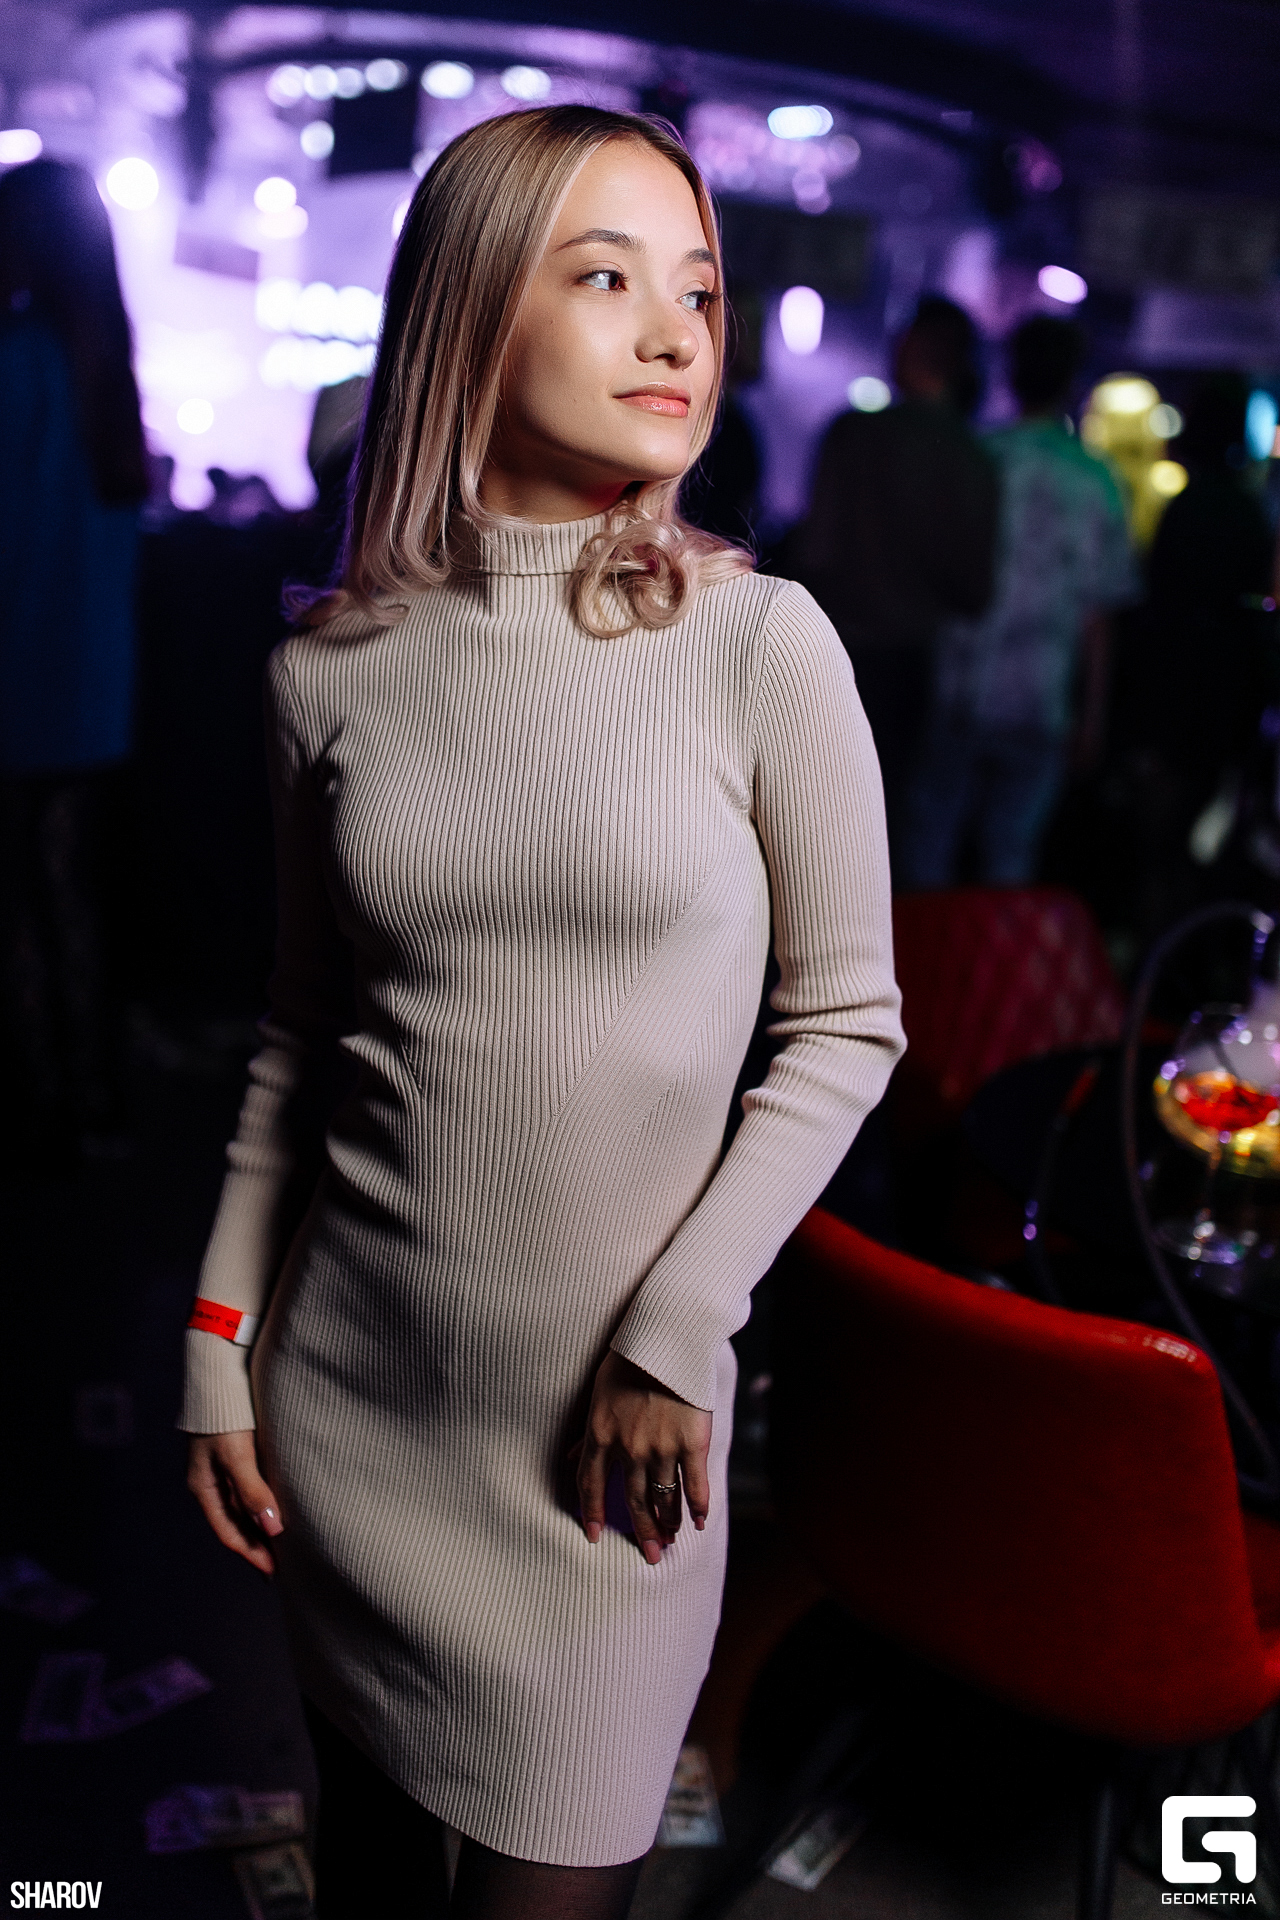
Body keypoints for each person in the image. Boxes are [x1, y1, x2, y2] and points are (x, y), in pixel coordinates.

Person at [180, 105, 904, 1918]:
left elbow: (848, 1027)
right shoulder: (330, 671)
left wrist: (677, 1328)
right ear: (471, 315)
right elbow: (300, 1043)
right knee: (365, 1880)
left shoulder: (761, 645)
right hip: (351, 1416)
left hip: (604, 1467)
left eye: (700, 292)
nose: (676, 335)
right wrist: (214, 1342)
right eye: (605, 279)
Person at [0, 158, 147, 1164]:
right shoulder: (110, 375)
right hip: (92, 688)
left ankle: (41, 1107)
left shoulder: (15, 361)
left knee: (17, 901)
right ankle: (91, 1102)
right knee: (71, 892)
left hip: (16, 673)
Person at [898, 315, 1137, 890]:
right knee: (1009, 860)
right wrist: (1092, 717)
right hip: (1041, 697)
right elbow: (1099, 615)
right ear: (1073, 382)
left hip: (962, 685)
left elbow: (933, 573)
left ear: (1010, 372)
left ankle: (924, 952)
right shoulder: (1097, 480)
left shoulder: (979, 456)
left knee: (929, 851)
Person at [794, 294, 999, 869]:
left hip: (829, 651)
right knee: (886, 830)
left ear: (912, 349)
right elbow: (976, 592)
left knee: (811, 821)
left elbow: (815, 548)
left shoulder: (851, 435)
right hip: (911, 664)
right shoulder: (970, 458)